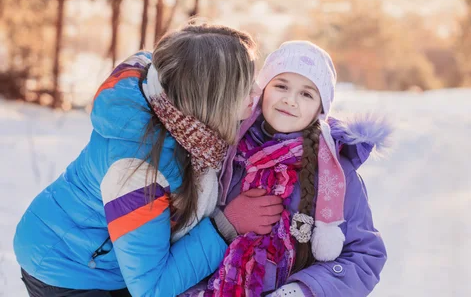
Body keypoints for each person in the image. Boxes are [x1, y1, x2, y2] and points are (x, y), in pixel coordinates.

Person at [13, 23, 285, 297]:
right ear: (208, 97)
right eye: (244, 85)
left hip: (109, 257)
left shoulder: (176, 101)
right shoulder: (135, 170)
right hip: (68, 268)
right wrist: (227, 224)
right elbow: (151, 289)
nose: (257, 91)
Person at [182, 40, 389, 297]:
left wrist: (302, 291)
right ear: (262, 91)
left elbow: (365, 255)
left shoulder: (336, 173)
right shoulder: (224, 152)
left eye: (306, 94)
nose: (290, 100)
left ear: (319, 109)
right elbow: (184, 231)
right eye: (281, 86)